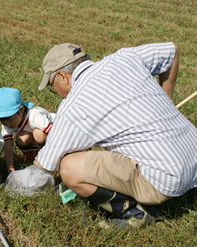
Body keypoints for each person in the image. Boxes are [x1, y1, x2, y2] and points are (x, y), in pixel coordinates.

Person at [34, 42, 197, 228]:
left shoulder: (75, 105)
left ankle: (135, 211)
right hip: (194, 153)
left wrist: (20, 179)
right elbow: (172, 51)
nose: (55, 92)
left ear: (62, 76)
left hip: (168, 177)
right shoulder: (124, 58)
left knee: (70, 168)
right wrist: (166, 96)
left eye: (52, 86)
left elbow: (47, 163)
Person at [0, 87, 55, 174]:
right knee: (21, 138)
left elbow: (55, 136)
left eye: (10, 120)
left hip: (53, 134)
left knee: (38, 134)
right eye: (2, 121)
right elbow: (8, 148)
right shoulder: (7, 121)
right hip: (34, 137)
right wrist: (11, 168)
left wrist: (47, 157)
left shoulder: (36, 117)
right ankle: (31, 155)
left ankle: (46, 155)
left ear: (21, 110)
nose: (7, 125)